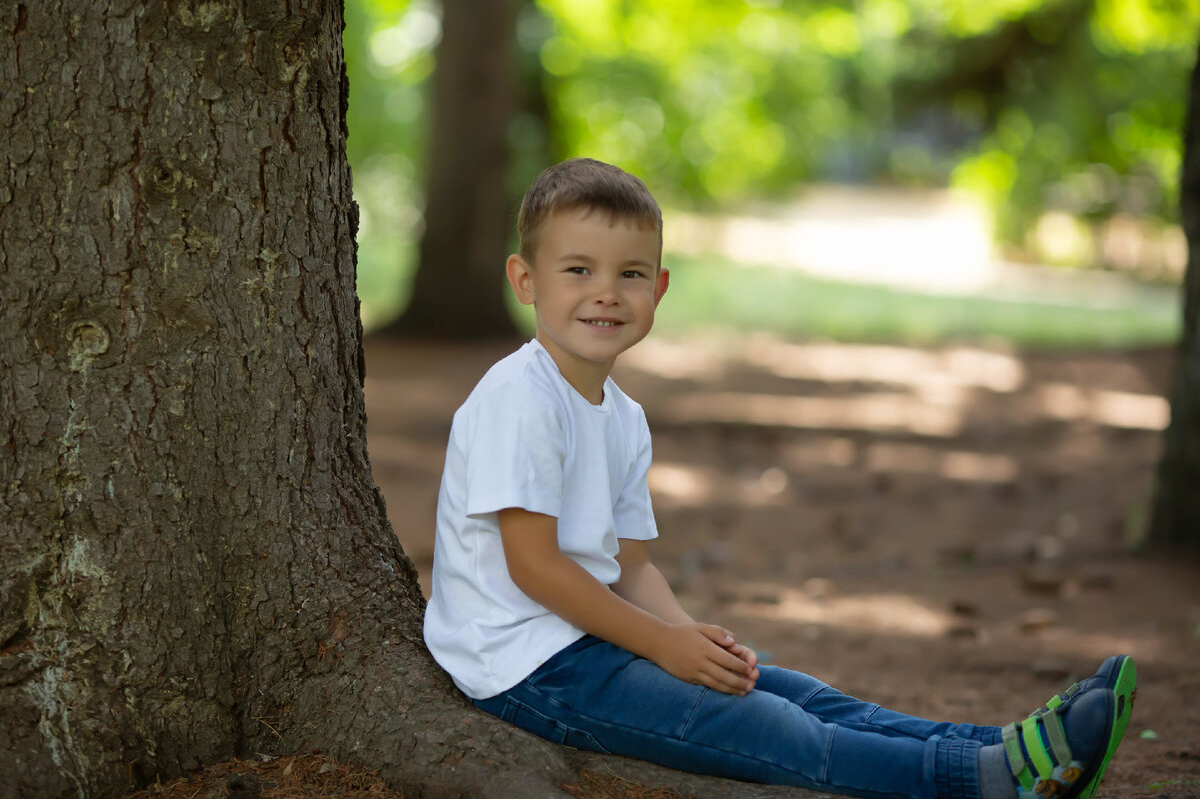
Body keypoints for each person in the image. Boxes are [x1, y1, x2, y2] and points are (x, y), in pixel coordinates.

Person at [422, 157, 1136, 799]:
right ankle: (981, 783)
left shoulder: (624, 416)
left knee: (793, 691)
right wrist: (662, 645)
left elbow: (631, 567)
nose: (605, 293)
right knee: (771, 727)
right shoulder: (520, 397)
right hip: (524, 669)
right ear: (525, 280)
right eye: (578, 270)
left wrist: (688, 637)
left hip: (591, 641)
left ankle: (1007, 746)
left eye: (629, 274)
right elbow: (536, 568)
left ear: (659, 288)